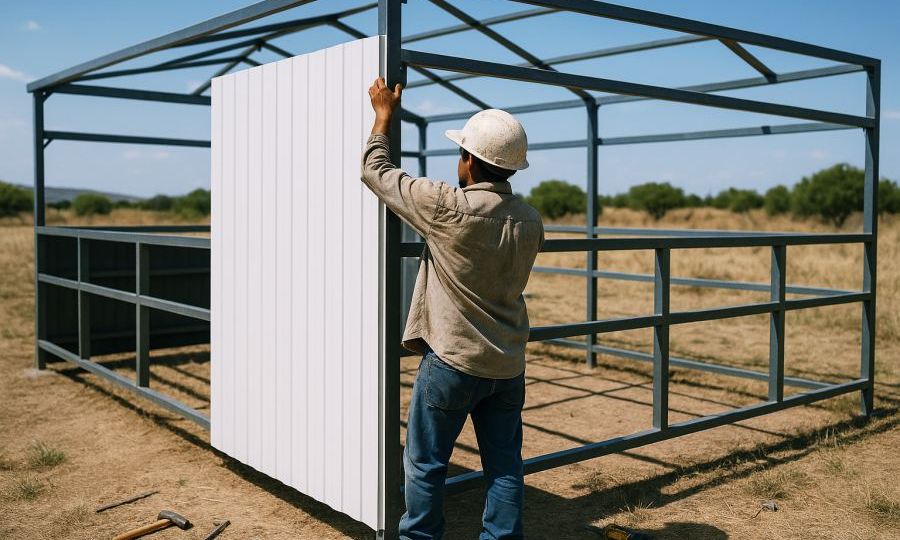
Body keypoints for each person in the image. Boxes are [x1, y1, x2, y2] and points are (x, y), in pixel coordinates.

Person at [362, 77, 544, 540]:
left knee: (425, 464)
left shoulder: (447, 206)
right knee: (504, 467)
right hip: (506, 363)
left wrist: (383, 118)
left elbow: (377, 173)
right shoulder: (530, 220)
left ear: (468, 160)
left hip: (452, 361)